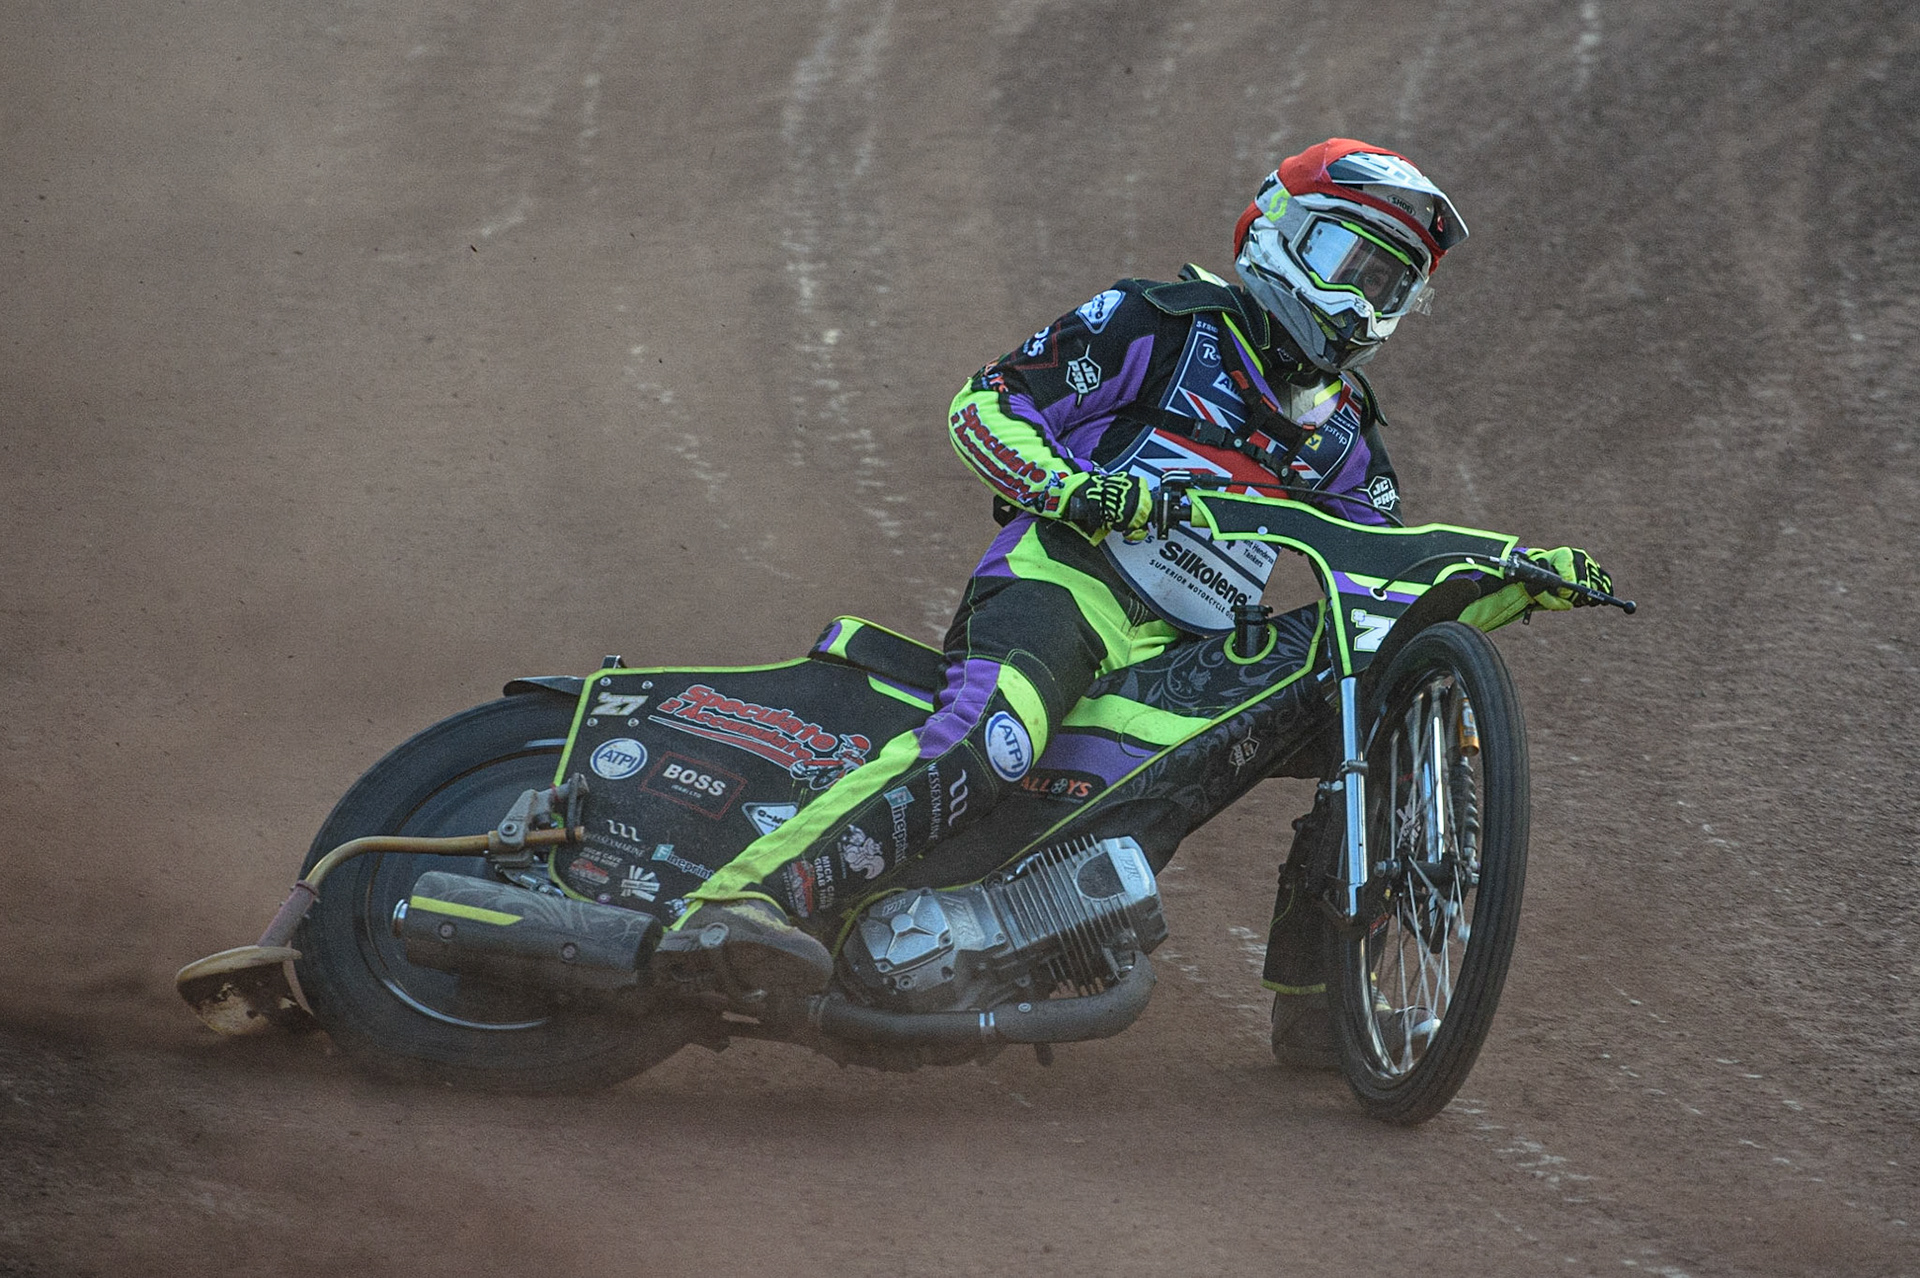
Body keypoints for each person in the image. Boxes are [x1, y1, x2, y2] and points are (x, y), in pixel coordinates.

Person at [653, 139, 1612, 1042]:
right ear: (1278, 226)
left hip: (1187, 658)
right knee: (998, 736)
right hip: (1068, 583)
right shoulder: (1160, 322)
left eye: (1387, 283)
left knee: (1382, 692)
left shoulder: (1347, 440)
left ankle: (1322, 1010)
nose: (1361, 300)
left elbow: (1381, 586)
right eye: (1346, 258)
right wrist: (1079, 488)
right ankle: (739, 903)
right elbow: (985, 404)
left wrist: (1507, 586)